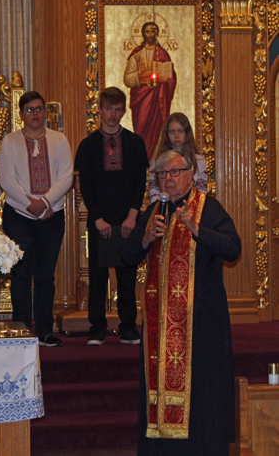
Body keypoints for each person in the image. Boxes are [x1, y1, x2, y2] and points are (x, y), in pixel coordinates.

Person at [121, 150, 241, 455]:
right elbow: (127, 255)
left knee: (201, 392)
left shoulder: (208, 208)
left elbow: (232, 248)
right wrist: (145, 238)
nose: (168, 179)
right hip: (160, 326)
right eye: (162, 174)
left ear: (190, 174)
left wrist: (197, 229)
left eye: (174, 172)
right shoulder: (154, 211)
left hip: (200, 322)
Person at [75, 87, 149, 346]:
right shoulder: (88, 146)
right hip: (99, 221)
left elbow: (140, 183)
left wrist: (132, 216)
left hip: (128, 220)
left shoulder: (135, 143)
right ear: (100, 109)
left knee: (127, 276)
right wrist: (97, 219)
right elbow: (86, 186)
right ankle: (97, 328)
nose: (113, 114)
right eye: (108, 108)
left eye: (118, 109)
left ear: (124, 110)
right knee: (97, 277)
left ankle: (128, 327)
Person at [0, 91, 73, 347]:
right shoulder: (10, 142)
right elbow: (7, 180)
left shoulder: (59, 140)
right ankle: (20, 330)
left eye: (39, 109)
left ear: (45, 112)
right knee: (20, 275)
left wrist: (46, 203)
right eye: (29, 110)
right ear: (21, 114)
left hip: (52, 216)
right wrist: (34, 206)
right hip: (18, 216)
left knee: (45, 276)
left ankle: (44, 330)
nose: (35, 114)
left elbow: (66, 177)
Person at [123, 21, 177, 160]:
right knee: (140, 128)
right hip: (141, 100)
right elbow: (128, 79)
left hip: (157, 100)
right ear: (142, 34)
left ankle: (154, 161)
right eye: (147, 31)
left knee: (157, 130)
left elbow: (171, 77)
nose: (150, 34)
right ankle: (141, 160)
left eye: (153, 31)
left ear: (157, 33)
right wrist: (141, 76)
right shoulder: (136, 55)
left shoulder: (163, 54)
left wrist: (164, 79)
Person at [149, 112, 207, 202]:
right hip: (166, 208)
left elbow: (201, 193)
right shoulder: (157, 161)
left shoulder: (199, 161)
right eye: (172, 132)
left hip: (191, 209)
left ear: (187, 133)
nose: (176, 136)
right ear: (167, 134)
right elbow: (154, 192)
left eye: (180, 131)